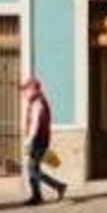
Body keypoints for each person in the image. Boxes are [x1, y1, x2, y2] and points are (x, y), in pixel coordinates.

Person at [21, 78, 67, 206]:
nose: (24, 93)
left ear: (34, 89)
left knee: (32, 169)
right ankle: (38, 195)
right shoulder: (36, 102)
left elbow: (35, 125)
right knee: (33, 168)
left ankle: (57, 187)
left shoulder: (38, 104)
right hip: (39, 140)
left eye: (26, 90)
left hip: (38, 141)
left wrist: (29, 141)